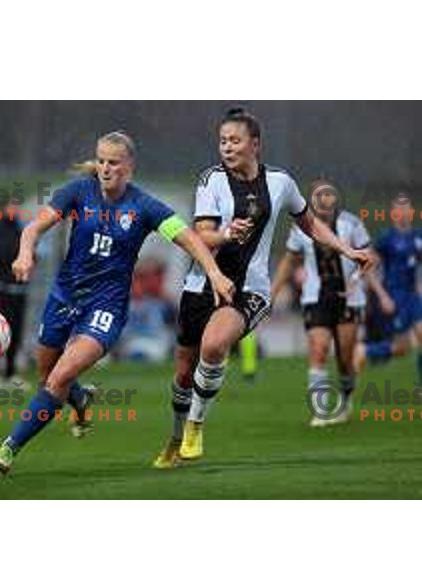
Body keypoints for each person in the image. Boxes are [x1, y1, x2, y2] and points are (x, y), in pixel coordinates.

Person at [0, 131, 235, 474]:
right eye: (101, 160)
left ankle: (9, 448)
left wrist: (214, 273)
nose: (105, 168)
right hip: (63, 296)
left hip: (106, 308)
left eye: (113, 162)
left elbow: (190, 239)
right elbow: (33, 228)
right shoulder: (77, 192)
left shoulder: (144, 207)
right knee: (48, 374)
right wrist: (24, 253)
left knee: (58, 377)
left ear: (129, 168)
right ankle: (81, 398)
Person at [153, 109, 375, 468]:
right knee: (182, 371)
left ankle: (195, 425)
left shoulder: (280, 183)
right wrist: (226, 233)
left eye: (235, 140)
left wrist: (347, 249)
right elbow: (200, 234)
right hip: (200, 284)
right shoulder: (211, 180)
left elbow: (310, 224)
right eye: (223, 141)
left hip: (250, 289)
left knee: (214, 344)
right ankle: (176, 437)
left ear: (255, 144)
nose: (227, 147)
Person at [271, 177, 388, 426]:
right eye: (318, 195)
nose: (323, 199)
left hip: (350, 299)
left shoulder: (351, 223)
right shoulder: (300, 228)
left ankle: (345, 401)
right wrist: (273, 293)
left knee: (345, 358)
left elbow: (370, 258)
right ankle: (321, 411)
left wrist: (356, 280)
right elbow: (290, 261)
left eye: (328, 194)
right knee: (319, 349)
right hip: (316, 297)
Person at [354, 193, 422, 381]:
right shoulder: (387, 238)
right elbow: (368, 267)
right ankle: (364, 350)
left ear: (412, 211)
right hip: (395, 296)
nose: (403, 212)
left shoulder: (418, 236)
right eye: (399, 209)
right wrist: (382, 296)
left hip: (413, 297)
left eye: (406, 208)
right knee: (402, 348)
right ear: (393, 213)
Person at [0, 197, 28, 385]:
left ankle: (11, 373)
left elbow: (29, 255)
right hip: (2, 289)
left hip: (20, 289)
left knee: (16, 332)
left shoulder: (21, 230)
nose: (15, 210)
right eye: (12, 207)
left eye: (17, 207)